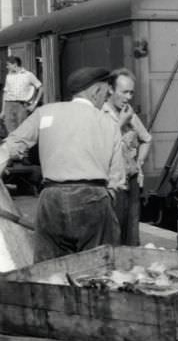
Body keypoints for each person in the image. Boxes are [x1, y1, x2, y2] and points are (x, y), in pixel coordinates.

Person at [0, 67, 126, 261]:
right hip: (93, 198)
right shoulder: (109, 124)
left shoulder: (45, 113)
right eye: (106, 93)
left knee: (49, 268)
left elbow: (10, 146)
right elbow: (116, 178)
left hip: (51, 199)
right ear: (95, 92)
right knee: (98, 268)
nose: (106, 99)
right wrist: (107, 199)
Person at [103, 68, 152, 246]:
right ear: (110, 89)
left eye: (131, 92)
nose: (129, 97)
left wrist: (139, 162)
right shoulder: (99, 115)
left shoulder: (131, 114)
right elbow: (102, 144)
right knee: (112, 236)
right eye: (124, 92)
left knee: (131, 237)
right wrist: (121, 123)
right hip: (111, 185)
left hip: (130, 181)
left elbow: (146, 139)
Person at [1, 56, 42, 135]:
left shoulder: (28, 75)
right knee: (10, 132)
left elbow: (41, 88)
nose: (7, 67)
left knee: (22, 131)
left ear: (15, 64)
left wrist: (34, 104)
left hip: (21, 106)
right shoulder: (9, 76)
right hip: (8, 105)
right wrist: (3, 111)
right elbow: (5, 93)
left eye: (8, 65)